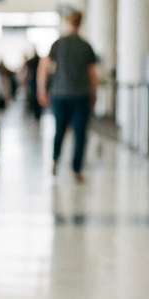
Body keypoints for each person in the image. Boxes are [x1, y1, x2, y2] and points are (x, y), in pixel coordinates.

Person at [38, 10, 99, 183]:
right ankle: (76, 169)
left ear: (67, 22)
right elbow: (93, 74)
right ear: (80, 23)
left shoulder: (58, 44)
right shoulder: (86, 46)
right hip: (81, 95)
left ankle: (55, 159)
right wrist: (94, 94)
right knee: (80, 133)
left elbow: (44, 68)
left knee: (60, 129)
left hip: (60, 94)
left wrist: (42, 90)